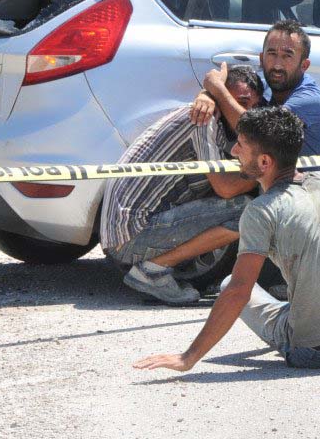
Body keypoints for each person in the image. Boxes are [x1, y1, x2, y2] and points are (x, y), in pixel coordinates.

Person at [133, 107, 320, 371]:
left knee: (226, 284)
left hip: (313, 353)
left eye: (242, 146)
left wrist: (187, 357)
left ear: (265, 163)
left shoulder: (261, 211)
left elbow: (238, 292)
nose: (234, 151)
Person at [101, 66, 264, 304]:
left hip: (125, 233)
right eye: (239, 102)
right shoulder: (201, 119)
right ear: (222, 96)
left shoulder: (214, 120)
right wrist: (264, 175)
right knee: (248, 211)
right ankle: (152, 272)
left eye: (252, 107)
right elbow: (225, 188)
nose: (243, 112)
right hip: (128, 238)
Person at [191, 20, 320, 225]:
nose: (277, 64)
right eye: (271, 54)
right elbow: (225, 81)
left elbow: (258, 133)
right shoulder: (268, 85)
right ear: (261, 59)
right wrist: (206, 95)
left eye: (287, 56)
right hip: (302, 196)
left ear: (304, 65)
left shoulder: (309, 99)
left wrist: (216, 90)